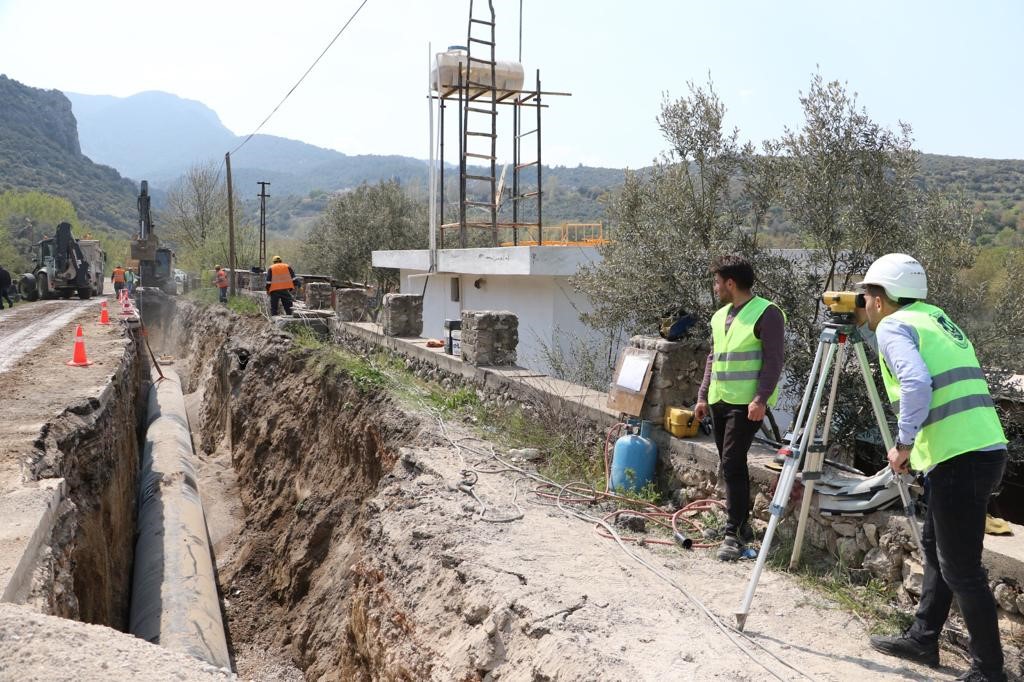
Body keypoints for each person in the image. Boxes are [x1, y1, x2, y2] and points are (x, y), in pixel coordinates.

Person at [856, 254, 1007, 682]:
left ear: (881, 298)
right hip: (980, 450)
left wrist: (902, 444)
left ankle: (989, 671)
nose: (864, 303)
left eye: (867, 294)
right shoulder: (935, 317)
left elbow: (917, 382)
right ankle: (924, 638)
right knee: (938, 547)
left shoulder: (892, 325)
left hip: (961, 457)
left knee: (962, 568)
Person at [694, 254, 785, 561]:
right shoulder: (719, 317)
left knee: (732, 462)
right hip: (720, 400)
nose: (715, 287)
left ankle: (732, 533)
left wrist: (760, 399)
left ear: (730, 283)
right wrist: (702, 396)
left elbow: (774, 362)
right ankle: (742, 525)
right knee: (730, 462)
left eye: (717, 282)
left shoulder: (767, 314)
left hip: (746, 405)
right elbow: (713, 358)